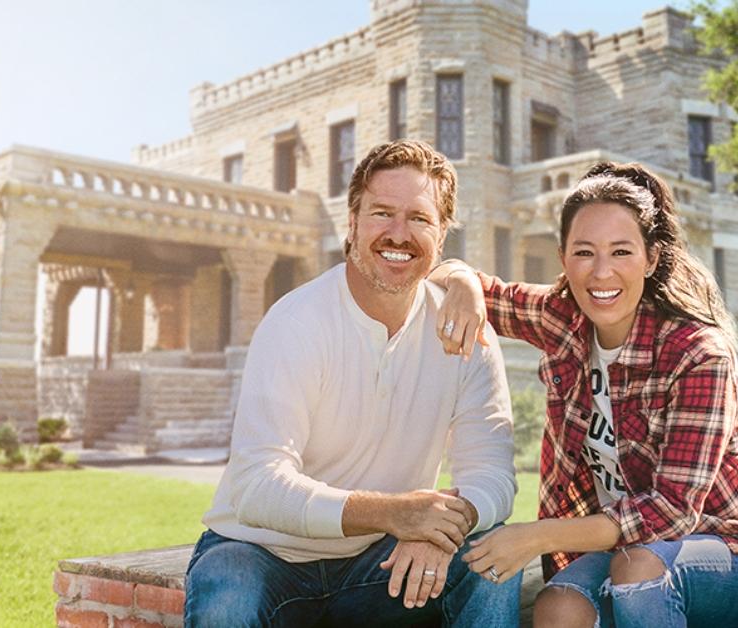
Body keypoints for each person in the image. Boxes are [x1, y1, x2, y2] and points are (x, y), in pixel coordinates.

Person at [430, 161, 738, 627]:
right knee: (558, 609)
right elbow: (457, 274)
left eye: (621, 252)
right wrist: (464, 285)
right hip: (629, 545)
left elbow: (670, 511)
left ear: (651, 258)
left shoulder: (698, 354)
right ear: (563, 257)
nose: (601, 273)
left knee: (639, 571)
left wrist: (535, 537)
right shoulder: (562, 318)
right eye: (584, 252)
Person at [184, 140, 523, 627]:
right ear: (353, 222)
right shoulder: (297, 321)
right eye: (382, 213)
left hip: (379, 560)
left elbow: (492, 472)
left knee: (490, 559)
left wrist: (445, 525)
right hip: (261, 552)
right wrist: (393, 513)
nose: (398, 234)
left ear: (442, 232)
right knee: (228, 604)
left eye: (419, 218)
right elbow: (257, 486)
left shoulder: (466, 333)